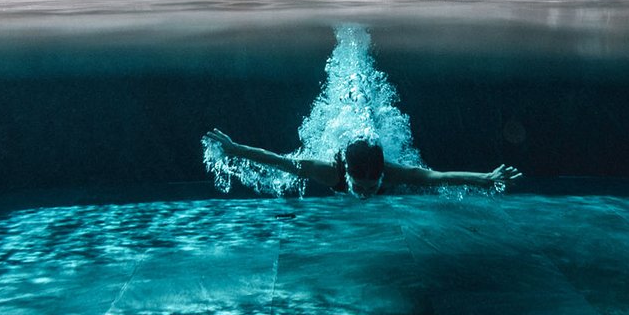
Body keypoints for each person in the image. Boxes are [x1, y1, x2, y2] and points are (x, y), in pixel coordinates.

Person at [203, 129, 520, 199]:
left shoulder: (396, 173)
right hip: (344, 150)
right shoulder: (327, 171)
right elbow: (278, 162)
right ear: (347, 177)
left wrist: (485, 178)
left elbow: (439, 177)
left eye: (372, 185)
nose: (366, 193)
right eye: (359, 186)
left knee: (421, 188)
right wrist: (234, 149)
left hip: (377, 158)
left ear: (383, 174)